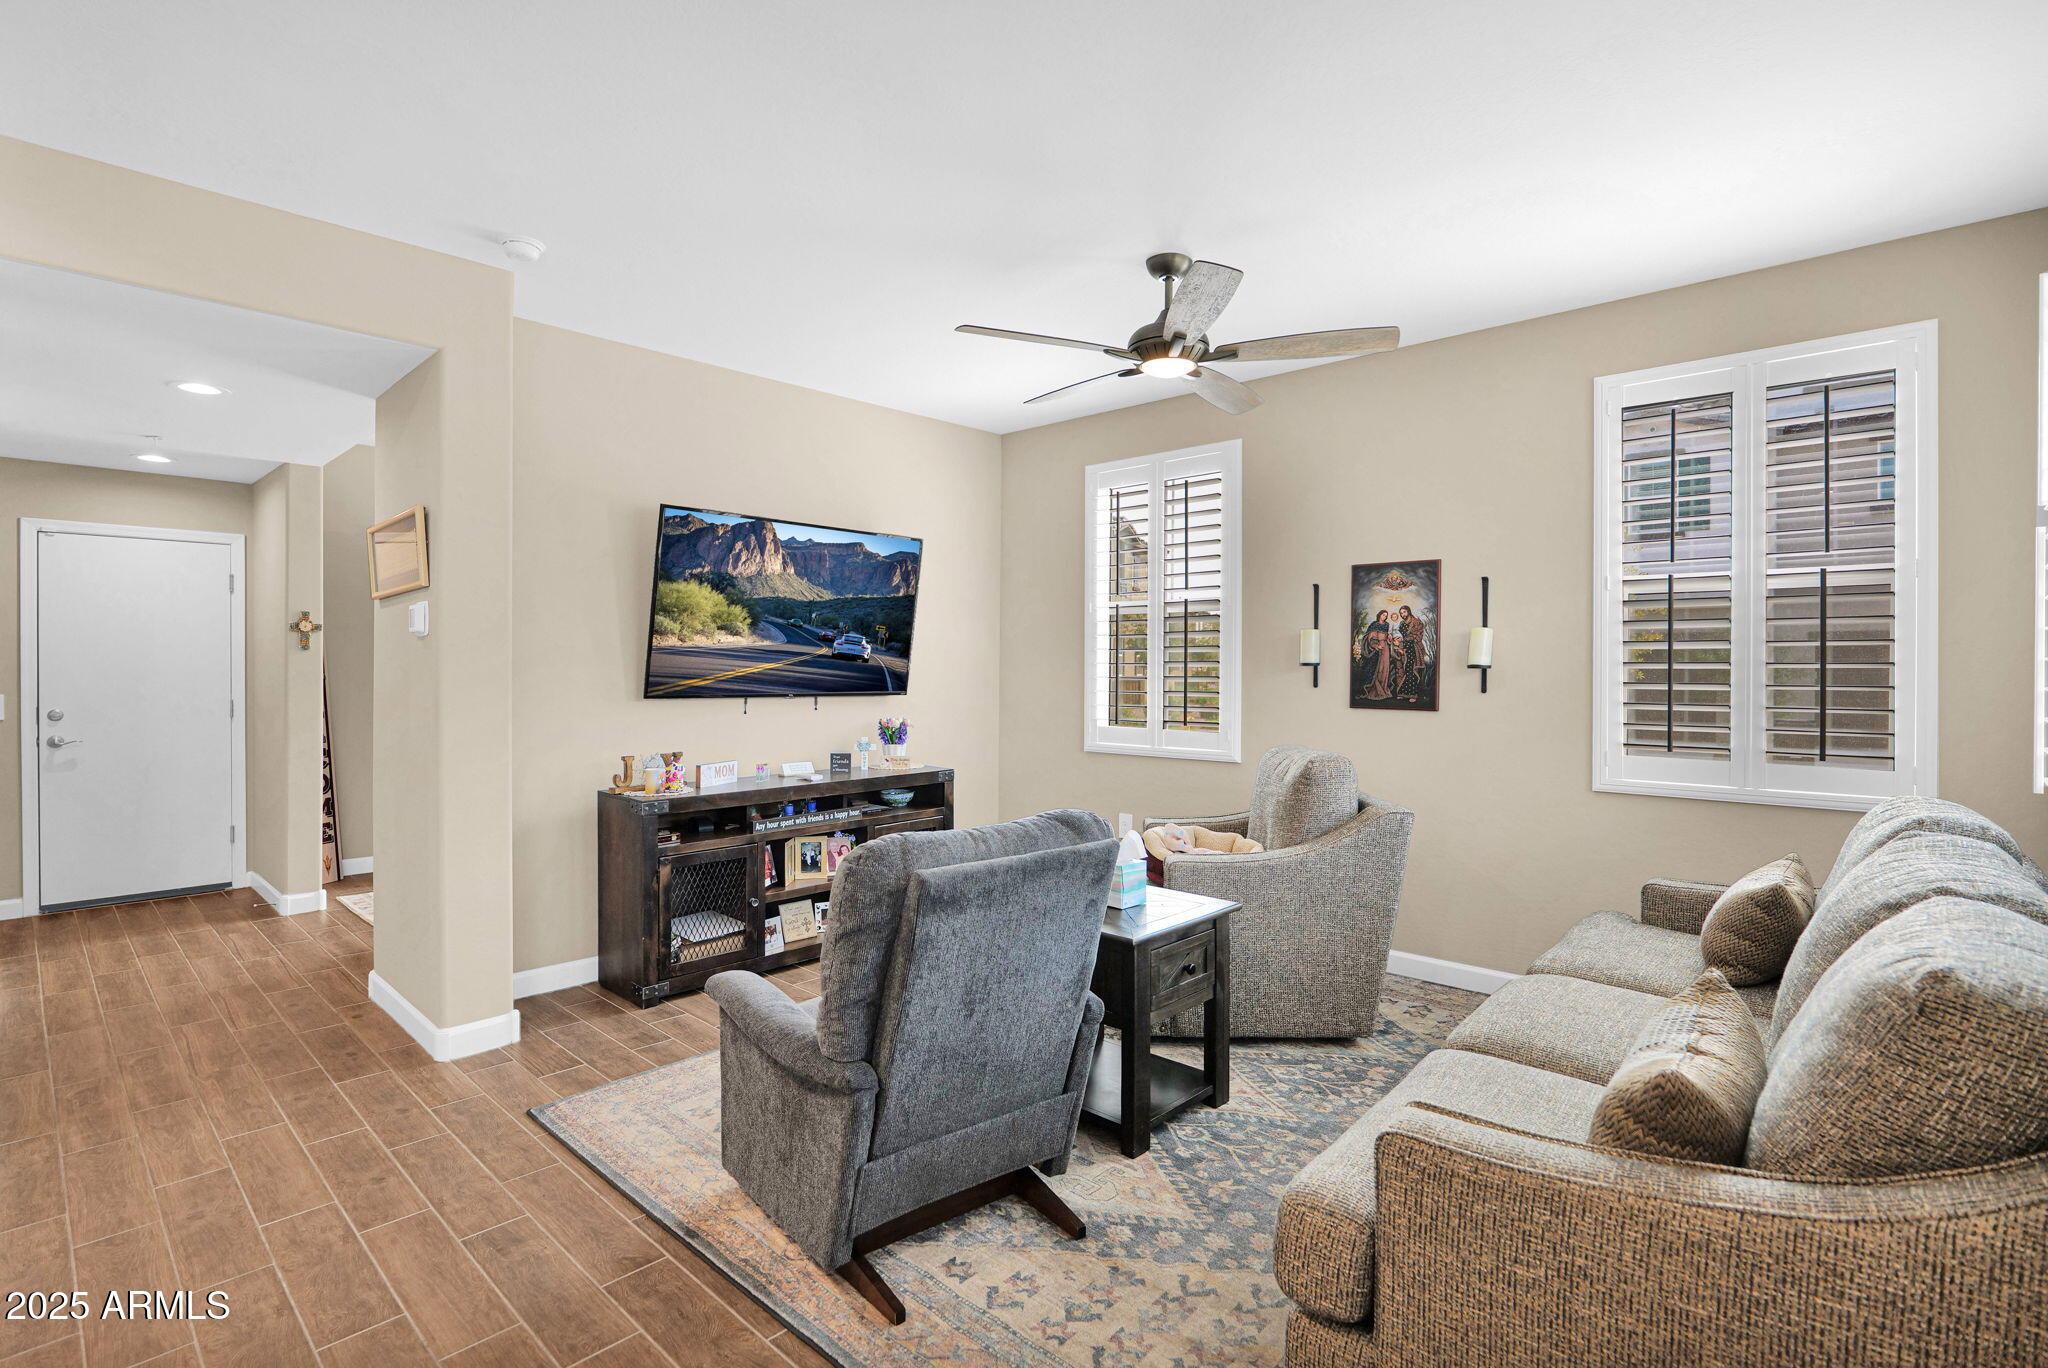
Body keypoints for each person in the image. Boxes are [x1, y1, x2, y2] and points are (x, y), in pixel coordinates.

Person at [1361, 609, 1397, 701]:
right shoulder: (1374, 624)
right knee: (1378, 668)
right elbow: (1370, 637)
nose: (1384, 617)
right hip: (1377, 649)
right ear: (1379, 615)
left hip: (1386, 648)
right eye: (1383, 615)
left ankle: (1383, 688)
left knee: (1385, 668)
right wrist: (1375, 645)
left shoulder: (1386, 625)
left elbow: (1387, 636)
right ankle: (1376, 689)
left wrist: (1389, 637)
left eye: (1386, 615)